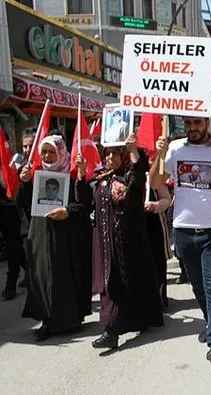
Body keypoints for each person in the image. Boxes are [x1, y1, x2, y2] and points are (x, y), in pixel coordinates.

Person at [150, 116, 211, 365]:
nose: (193, 128)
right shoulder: (174, 149)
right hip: (184, 231)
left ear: (207, 122)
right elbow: (155, 182)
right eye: (189, 123)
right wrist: (160, 155)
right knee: (198, 287)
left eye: (198, 123)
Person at [86, 137, 164, 349]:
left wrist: (133, 151)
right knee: (109, 283)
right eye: (107, 154)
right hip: (103, 240)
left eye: (115, 154)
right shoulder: (101, 178)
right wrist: (79, 174)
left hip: (127, 241)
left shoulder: (130, 177)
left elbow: (140, 179)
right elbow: (86, 200)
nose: (110, 158)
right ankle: (111, 330)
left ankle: (128, 323)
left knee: (131, 279)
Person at [16, 135, 93, 341]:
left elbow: (84, 202)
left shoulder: (72, 172)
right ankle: (47, 321)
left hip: (66, 235)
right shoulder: (33, 175)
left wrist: (68, 211)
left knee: (65, 275)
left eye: (52, 152)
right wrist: (23, 183)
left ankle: (71, 318)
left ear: (61, 152)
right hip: (40, 233)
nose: (48, 156)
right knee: (43, 276)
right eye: (44, 152)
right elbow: (21, 202)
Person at [143, 160, 173, 308]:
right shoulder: (126, 176)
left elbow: (167, 199)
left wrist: (155, 206)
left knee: (157, 261)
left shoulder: (154, 178)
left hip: (154, 223)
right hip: (135, 225)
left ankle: (160, 298)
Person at [1, 132, 26, 300]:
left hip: (12, 210)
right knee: (14, 248)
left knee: (13, 246)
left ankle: (11, 284)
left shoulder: (16, 160)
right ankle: (31, 273)